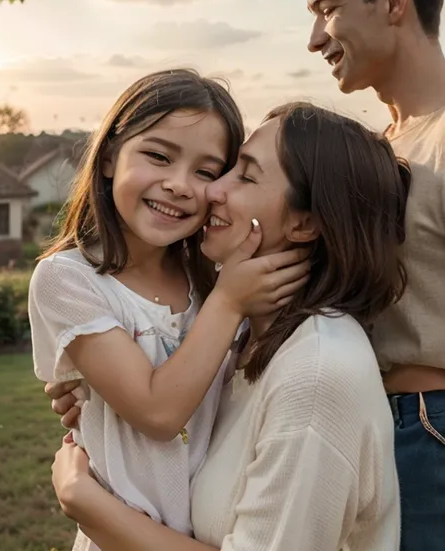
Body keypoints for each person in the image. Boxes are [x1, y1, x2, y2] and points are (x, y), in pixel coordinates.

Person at [50, 102, 410, 551]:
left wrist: (88, 504)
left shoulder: (316, 372)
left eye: (244, 174)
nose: (210, 191)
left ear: (305, 224)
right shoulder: (240, 342)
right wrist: (102, 398)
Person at [29, 69, 309, 551]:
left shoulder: (214, 280)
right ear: (112, 155)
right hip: (117, 538)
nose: (180, 185)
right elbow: (158, 413)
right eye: (158, 156)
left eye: (205, 172)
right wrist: (228, 302)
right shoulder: (68, 279)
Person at [296, 0, 445, 550]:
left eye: (327, 8)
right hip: (369, 428)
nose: (313, 38)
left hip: (429, 430)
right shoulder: (379, 151)